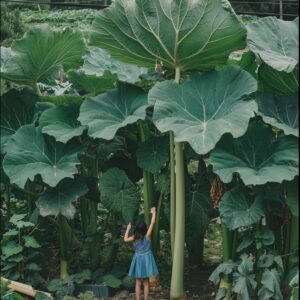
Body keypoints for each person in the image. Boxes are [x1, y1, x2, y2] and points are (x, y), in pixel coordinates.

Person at [124, 207, 159, 300]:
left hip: (138, 260)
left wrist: (128, 228)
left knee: (138, 282)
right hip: (147, 259)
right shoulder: (147, 236)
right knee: (146, 282)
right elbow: (152, 223)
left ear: (137, 230)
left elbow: (125, 239)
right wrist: (154, 212)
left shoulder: (134, 238)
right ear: (145, 229)